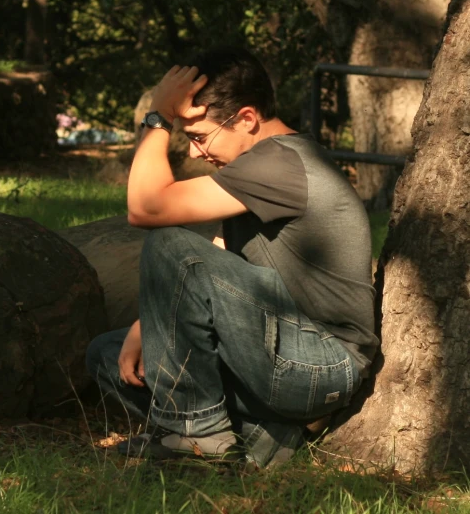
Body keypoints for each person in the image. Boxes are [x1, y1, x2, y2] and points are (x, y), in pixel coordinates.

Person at [86, 46, 379, 466]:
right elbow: (220, 256)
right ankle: (264, 437)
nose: (193, 153)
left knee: (168, 242)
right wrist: (148, 324)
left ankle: (195, 439)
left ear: (246, 118)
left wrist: (158, 117)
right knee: (107, 354)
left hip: (319, 363)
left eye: (199, 137)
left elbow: (147, 208)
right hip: (273, 348)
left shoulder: (282, 164)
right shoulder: (258, 165)